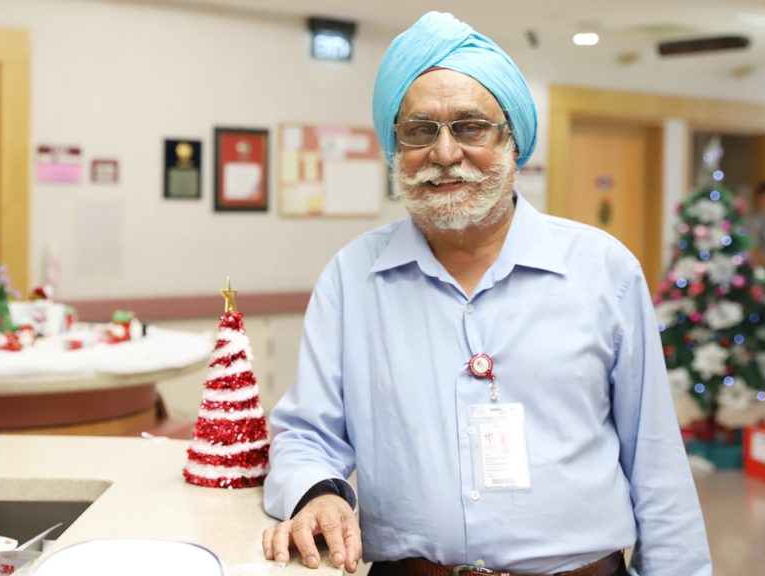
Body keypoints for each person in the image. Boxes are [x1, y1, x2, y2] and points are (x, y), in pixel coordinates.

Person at [262, 11, 711, 576]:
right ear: (394, 147)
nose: (445, 153)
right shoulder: (353, 278)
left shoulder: (603, 270)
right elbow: (306, 433)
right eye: (420, 130)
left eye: (471, 126)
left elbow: (656, 462)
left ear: (514, 140)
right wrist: (319, 493)